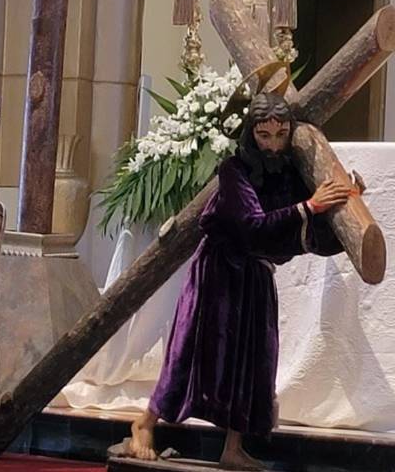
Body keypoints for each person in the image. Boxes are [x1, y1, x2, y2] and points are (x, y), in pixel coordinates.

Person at [121, 92, 360, 470]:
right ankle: (144, 423)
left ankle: (233, 447)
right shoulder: (234, 169)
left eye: (281, 134)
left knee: (253, 360)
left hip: (257, 274)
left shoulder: (289, 173)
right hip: (218, 271)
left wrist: (344, 206)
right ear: (251, 134)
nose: (273, 143)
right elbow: (252, 224)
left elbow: (308, 232)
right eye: (264, 135)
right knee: (191, 351)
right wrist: (310, 206)